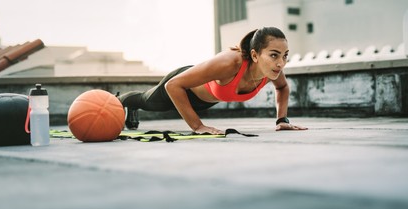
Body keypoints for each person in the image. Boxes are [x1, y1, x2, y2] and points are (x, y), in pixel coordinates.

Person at [118, 26, 307, 134]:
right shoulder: (229, 63)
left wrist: (281, 119)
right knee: (148, 102)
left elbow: (282, 88)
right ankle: (120, 101)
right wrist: (198, 126)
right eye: (274, 55)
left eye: (285, 55)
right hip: (182, 85)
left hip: (203, 102)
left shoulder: (272, 71)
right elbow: (173, 85)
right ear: (255, 55)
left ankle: (131, 105)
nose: (281, 63)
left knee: (152, 104)